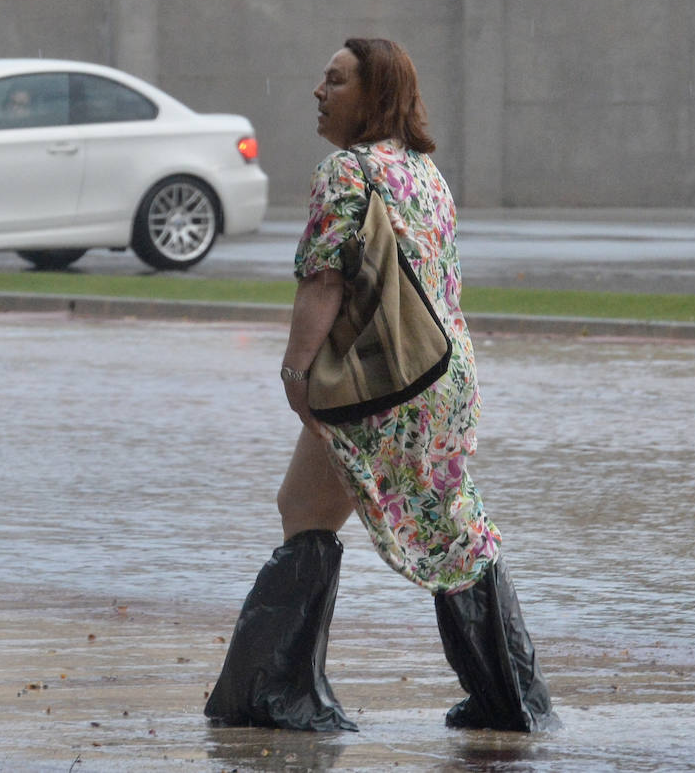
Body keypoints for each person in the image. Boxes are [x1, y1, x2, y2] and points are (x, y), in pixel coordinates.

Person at [204, 38, 558, 733]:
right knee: (443, 523)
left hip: (379, 385)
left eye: (335, 81)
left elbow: (325, 279)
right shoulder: (427, 174)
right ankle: (510, 696)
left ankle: (279, 693)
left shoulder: (346, 171)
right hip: (442, 381)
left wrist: (296, 371)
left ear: (374, 96)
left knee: (330, 515)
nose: (318, 90)